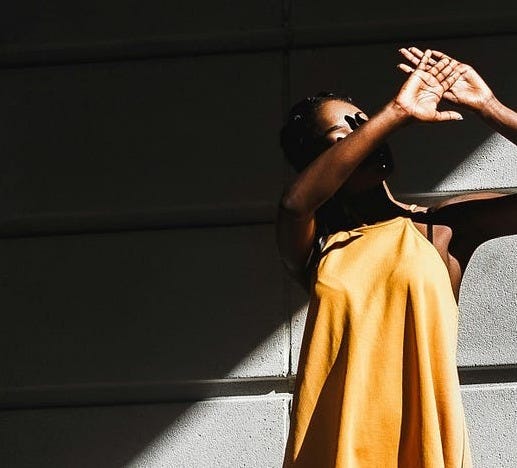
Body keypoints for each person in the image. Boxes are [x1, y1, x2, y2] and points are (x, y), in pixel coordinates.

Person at [277, 47, 517, 467]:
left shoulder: (441, 229)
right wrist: (396, 112)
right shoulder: (318, 245)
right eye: (347, 134)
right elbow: (296, 204)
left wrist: (488, 107)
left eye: (365, 123)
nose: (369, 132)